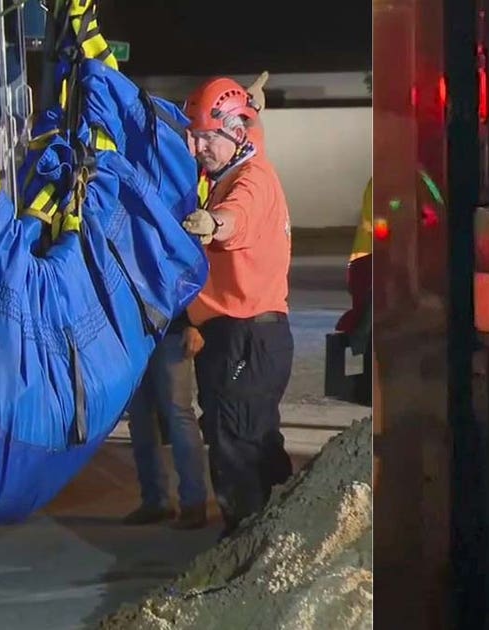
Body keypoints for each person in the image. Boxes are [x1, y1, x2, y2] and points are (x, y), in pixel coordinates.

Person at [179, 76, 294, 538]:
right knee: (256, 441)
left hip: (244, 337)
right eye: (195, 135)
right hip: (248, 337)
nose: (197, 146)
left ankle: (245, 545)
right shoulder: (243, 156)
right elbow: (252, 130)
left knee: (235, 446)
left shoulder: (249, 181)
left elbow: (239, 216)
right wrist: (252, 105)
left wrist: (214, 222)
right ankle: (281, 536)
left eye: (207, 137)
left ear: (233, 132)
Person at [121, 320, 209, 529]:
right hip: (131, 332)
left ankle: (193, 502)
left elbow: (191, 286)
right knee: (140, 417)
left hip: (172, 329)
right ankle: (155, 501)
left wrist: (192, 324)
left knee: (177, 413)